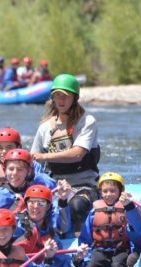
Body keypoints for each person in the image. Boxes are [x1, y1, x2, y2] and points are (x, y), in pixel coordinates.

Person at [30, 73, 100, 232]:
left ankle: (79, 237)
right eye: (57, 96)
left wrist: (44, 156)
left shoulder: (86, 121)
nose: (61, 100)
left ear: (75, 98)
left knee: (76, 206)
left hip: (84, 185)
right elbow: (33, 161)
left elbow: (77, 154)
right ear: (52, 98)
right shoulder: (45, 128)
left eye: (65, 96)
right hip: (56, 185)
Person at [0, 127, 56, 236]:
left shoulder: (33, 167)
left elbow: (48, 187)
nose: (4, 152)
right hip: (0, 210)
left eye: (9, 147)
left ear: (19, 148)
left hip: (29, 210)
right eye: (0, 148)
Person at [14, 184, 86, 267]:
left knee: (70, 262)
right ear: (26, 204)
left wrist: (77, 261)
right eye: (32, 202)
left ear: (48, 207)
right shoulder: (16, 227)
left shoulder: (50, 232)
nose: (36, 206)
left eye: (41, 203)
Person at [76, 172, 141, 267]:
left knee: (117, 266)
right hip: (100, 250)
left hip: (121, 250)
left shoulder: (128, 209)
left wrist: (132, 252)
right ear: (100, 192)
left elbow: (136, 230)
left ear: (120, 191)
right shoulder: (94, 212)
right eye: (105, 191)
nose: (108, 194)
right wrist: (86, 257)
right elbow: (85, 236)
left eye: (113, 191)